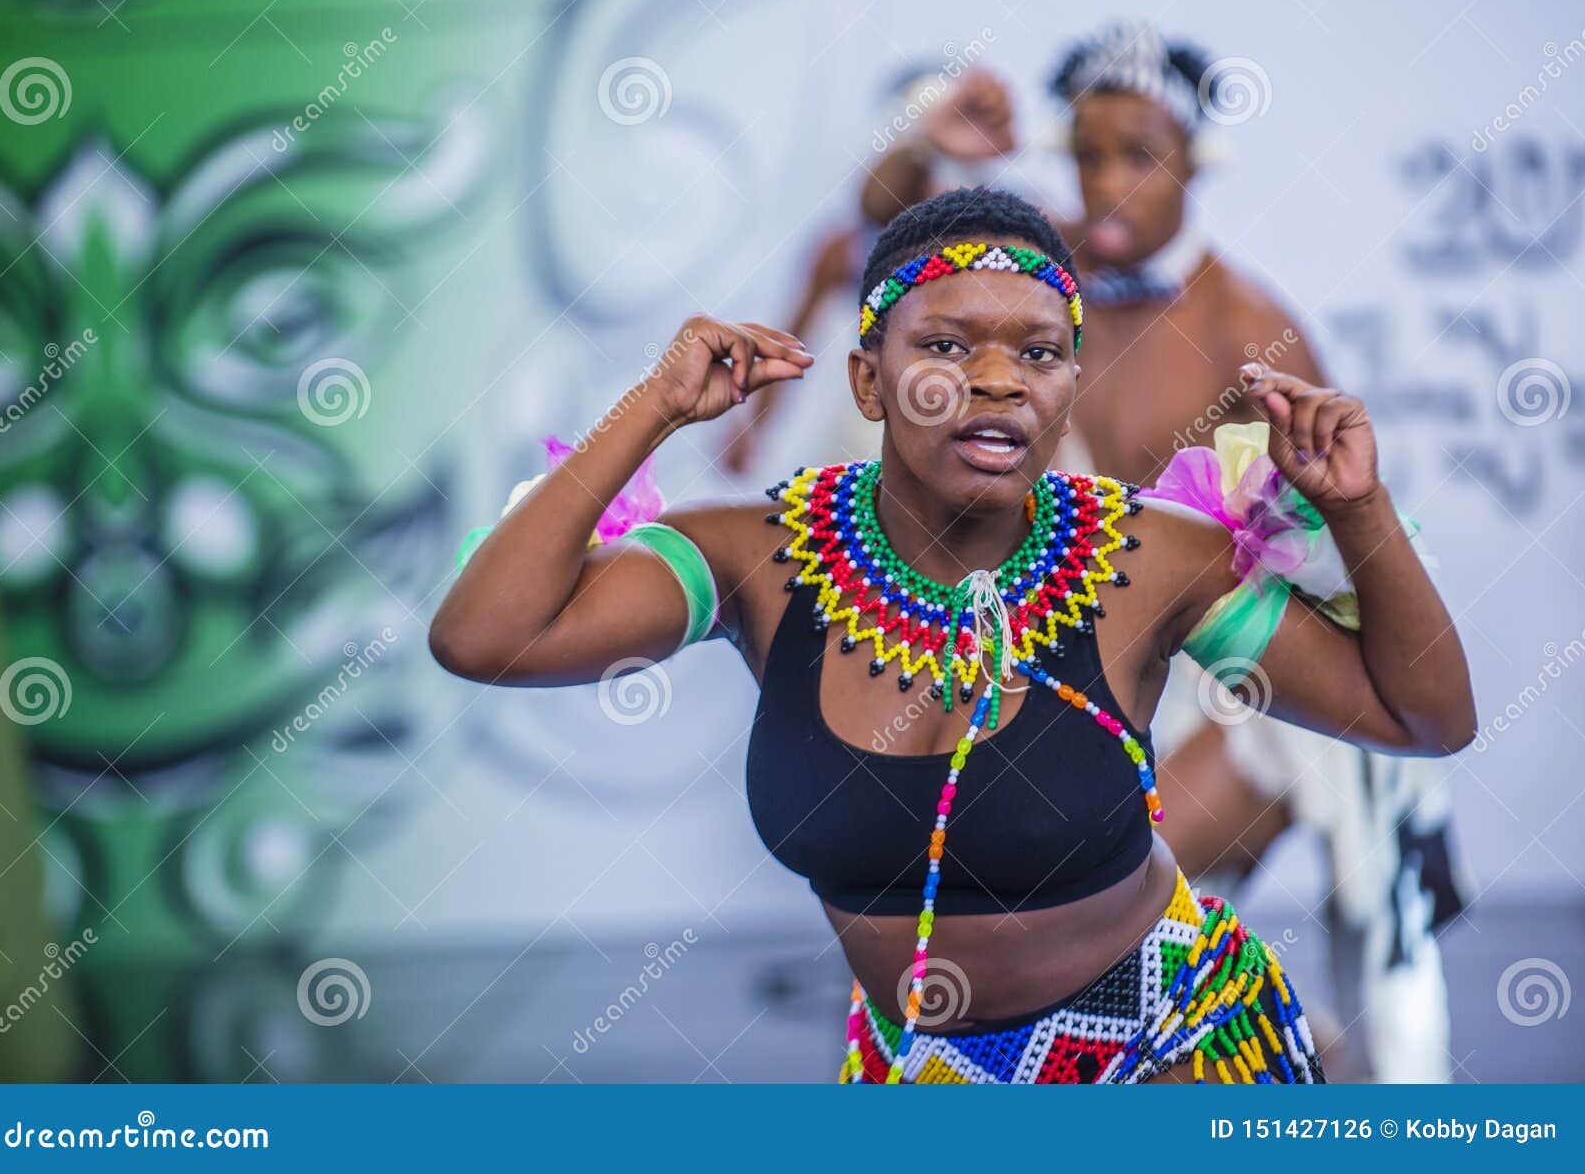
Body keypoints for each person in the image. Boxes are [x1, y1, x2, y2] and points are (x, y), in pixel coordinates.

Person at [430, 187, 1475, 1084]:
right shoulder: (757, 555)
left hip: (1172, 1054)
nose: (996, 379)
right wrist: (653, 407)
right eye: (941, 345)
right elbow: (485, 636)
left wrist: (1360, 508)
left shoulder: (1149, 558)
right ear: (866, 380)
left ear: (1072, 383)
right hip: (915, 1074)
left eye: (1039, 352)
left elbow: (1420, 714)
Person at [858, 23, 1473, 1081]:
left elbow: (1339, 554)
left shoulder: (1247, 327)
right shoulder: (1043, 285)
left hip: (1247, 684)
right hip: (1103, 674)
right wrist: (930, 139)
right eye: (1087, 154)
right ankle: (1278, 1061)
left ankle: (1286, 1061)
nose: (1106, 183)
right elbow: (885, 228)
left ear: (1195, 163)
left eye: (1138, 154)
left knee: (1072, 918)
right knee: (994, 912)